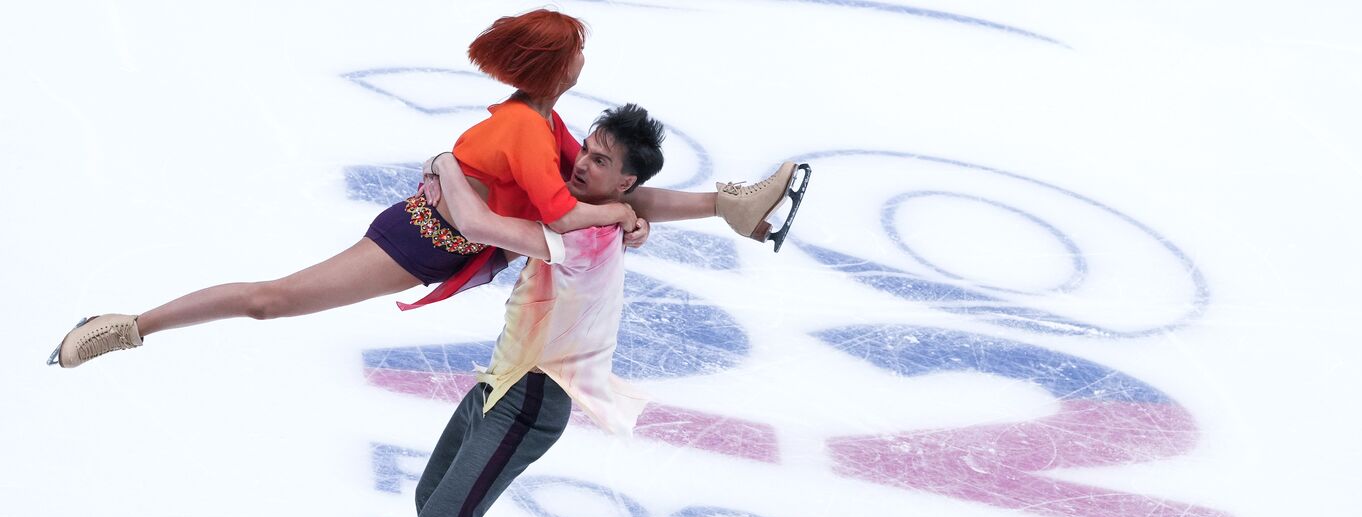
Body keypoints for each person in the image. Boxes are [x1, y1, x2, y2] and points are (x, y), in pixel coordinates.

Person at [48, 9, 805, 369]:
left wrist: (660, 208)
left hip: (457, 243)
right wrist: (614, 211)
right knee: (269, 299)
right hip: (417, 241)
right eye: (575, 53)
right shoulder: (522, 132)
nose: (580, 62)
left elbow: (614, 195)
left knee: (617, 193)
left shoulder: (550, 126)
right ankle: (128, 325)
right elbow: (570, 214)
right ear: (556, 69)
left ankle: (733, 208)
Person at [378, 103, 672, 517]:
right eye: (586, 149)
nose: (582, 163)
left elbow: (476, 220)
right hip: (501, 383)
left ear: (625, 183)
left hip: (534, 397)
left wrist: (444, 165)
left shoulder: (585, 234)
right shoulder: (592, 211)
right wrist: (630, 214)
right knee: (437, 502)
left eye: (600, 161)